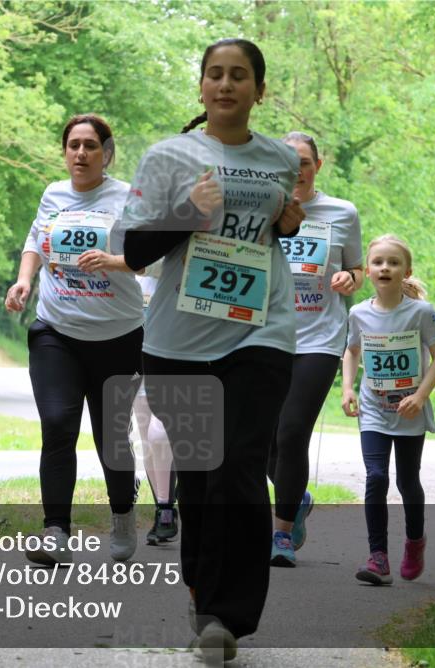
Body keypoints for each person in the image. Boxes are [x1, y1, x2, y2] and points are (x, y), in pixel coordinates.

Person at [118, 38, 304, 663]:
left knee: (240, 467)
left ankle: (228, 617)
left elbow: (274, 230)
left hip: (261, 332)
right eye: (215, 75)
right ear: (201, 86)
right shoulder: (169, 156)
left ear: (259, 90)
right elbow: (133, 250)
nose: (226, 85)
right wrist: (187, 211)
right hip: (179, 341)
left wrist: (289, 225)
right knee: (200, 475)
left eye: (239, 76)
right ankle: (203, 594)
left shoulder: (280, 159)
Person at [4, 114, 143, 567]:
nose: (81, 153)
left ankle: (123, 514)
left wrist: (113, 261)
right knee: (58, 425)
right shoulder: (53, 194)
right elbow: (35, 238)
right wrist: (24, 280)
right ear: (65, 152)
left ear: (107, 153)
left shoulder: (126, 198)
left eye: (91, 145)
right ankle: (56, 532)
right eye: (73, 145)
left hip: (118, 335)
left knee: (111, 437)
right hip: (56, 330)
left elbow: (149, 258)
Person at [267, 132, 363, 567]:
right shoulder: (262, 209)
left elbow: (357, 268)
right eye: (288, 163)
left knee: (291, 433)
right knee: (263, 440)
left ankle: (281, 533)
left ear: (317, 165)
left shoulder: (342, 212)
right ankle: (297, 498)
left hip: (319, 338)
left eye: (304, 162)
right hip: (265, 335)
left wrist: (350, 279)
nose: (297, 171)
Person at [341, 234, 435, 585]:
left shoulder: (421, 313)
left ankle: (415, 542)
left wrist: (420, 396)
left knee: (406, 481)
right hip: (374, 408)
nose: (385, 267)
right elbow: (352, 351)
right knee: (375, 477)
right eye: (378, 262)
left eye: (393, 262)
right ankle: (378, 558)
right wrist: (347, 388)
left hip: (408, 411)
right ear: (368, 270)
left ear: (407, 271)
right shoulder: (358, 313)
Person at [133, 262, 180, 545]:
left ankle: (166, 505)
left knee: (159, 434)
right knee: (146, 438)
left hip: (176, 358)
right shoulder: (133, 274)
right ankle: (163, 509)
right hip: (138, 361)